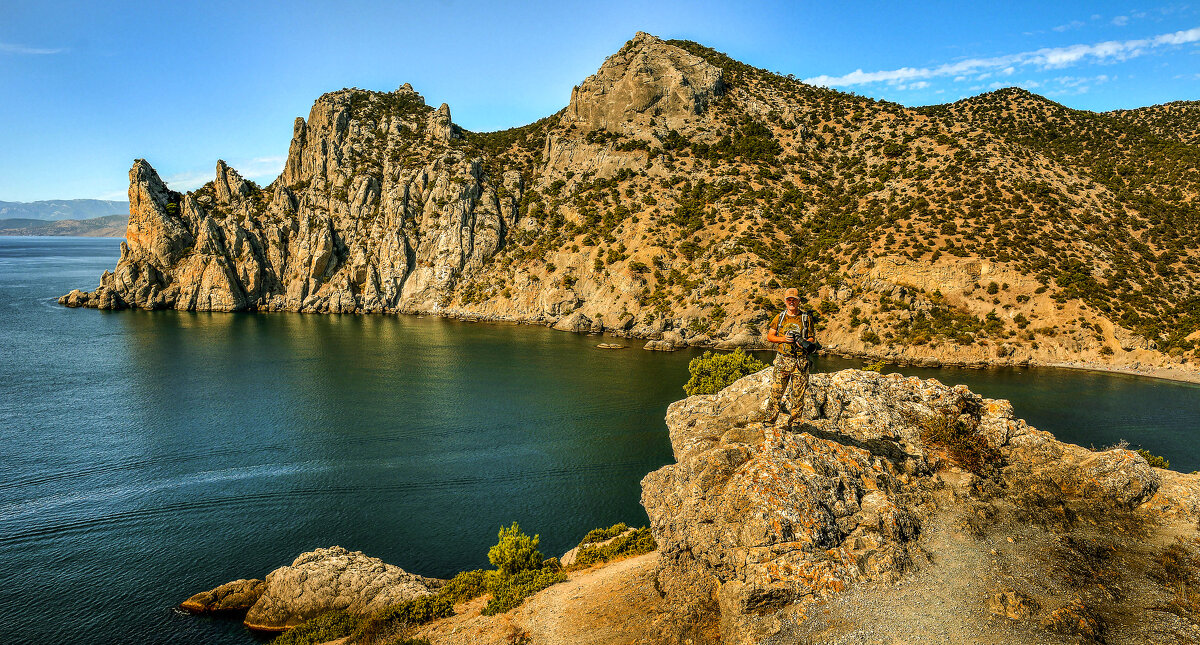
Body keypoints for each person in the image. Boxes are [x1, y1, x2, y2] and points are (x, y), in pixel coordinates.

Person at [763, 288, 819, 426]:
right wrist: (783, 339)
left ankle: (795, 423)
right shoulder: (779, 317)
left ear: (799, 301)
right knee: (776, 392)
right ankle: (770, 420)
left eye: (794, 300)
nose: (791, 302)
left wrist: (804, 343)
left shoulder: (806, 318)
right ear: (785, 301)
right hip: (783, 360)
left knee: (798, 396)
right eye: (789, 300)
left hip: (800, 362)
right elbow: (770, 336)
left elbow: (812, 338)